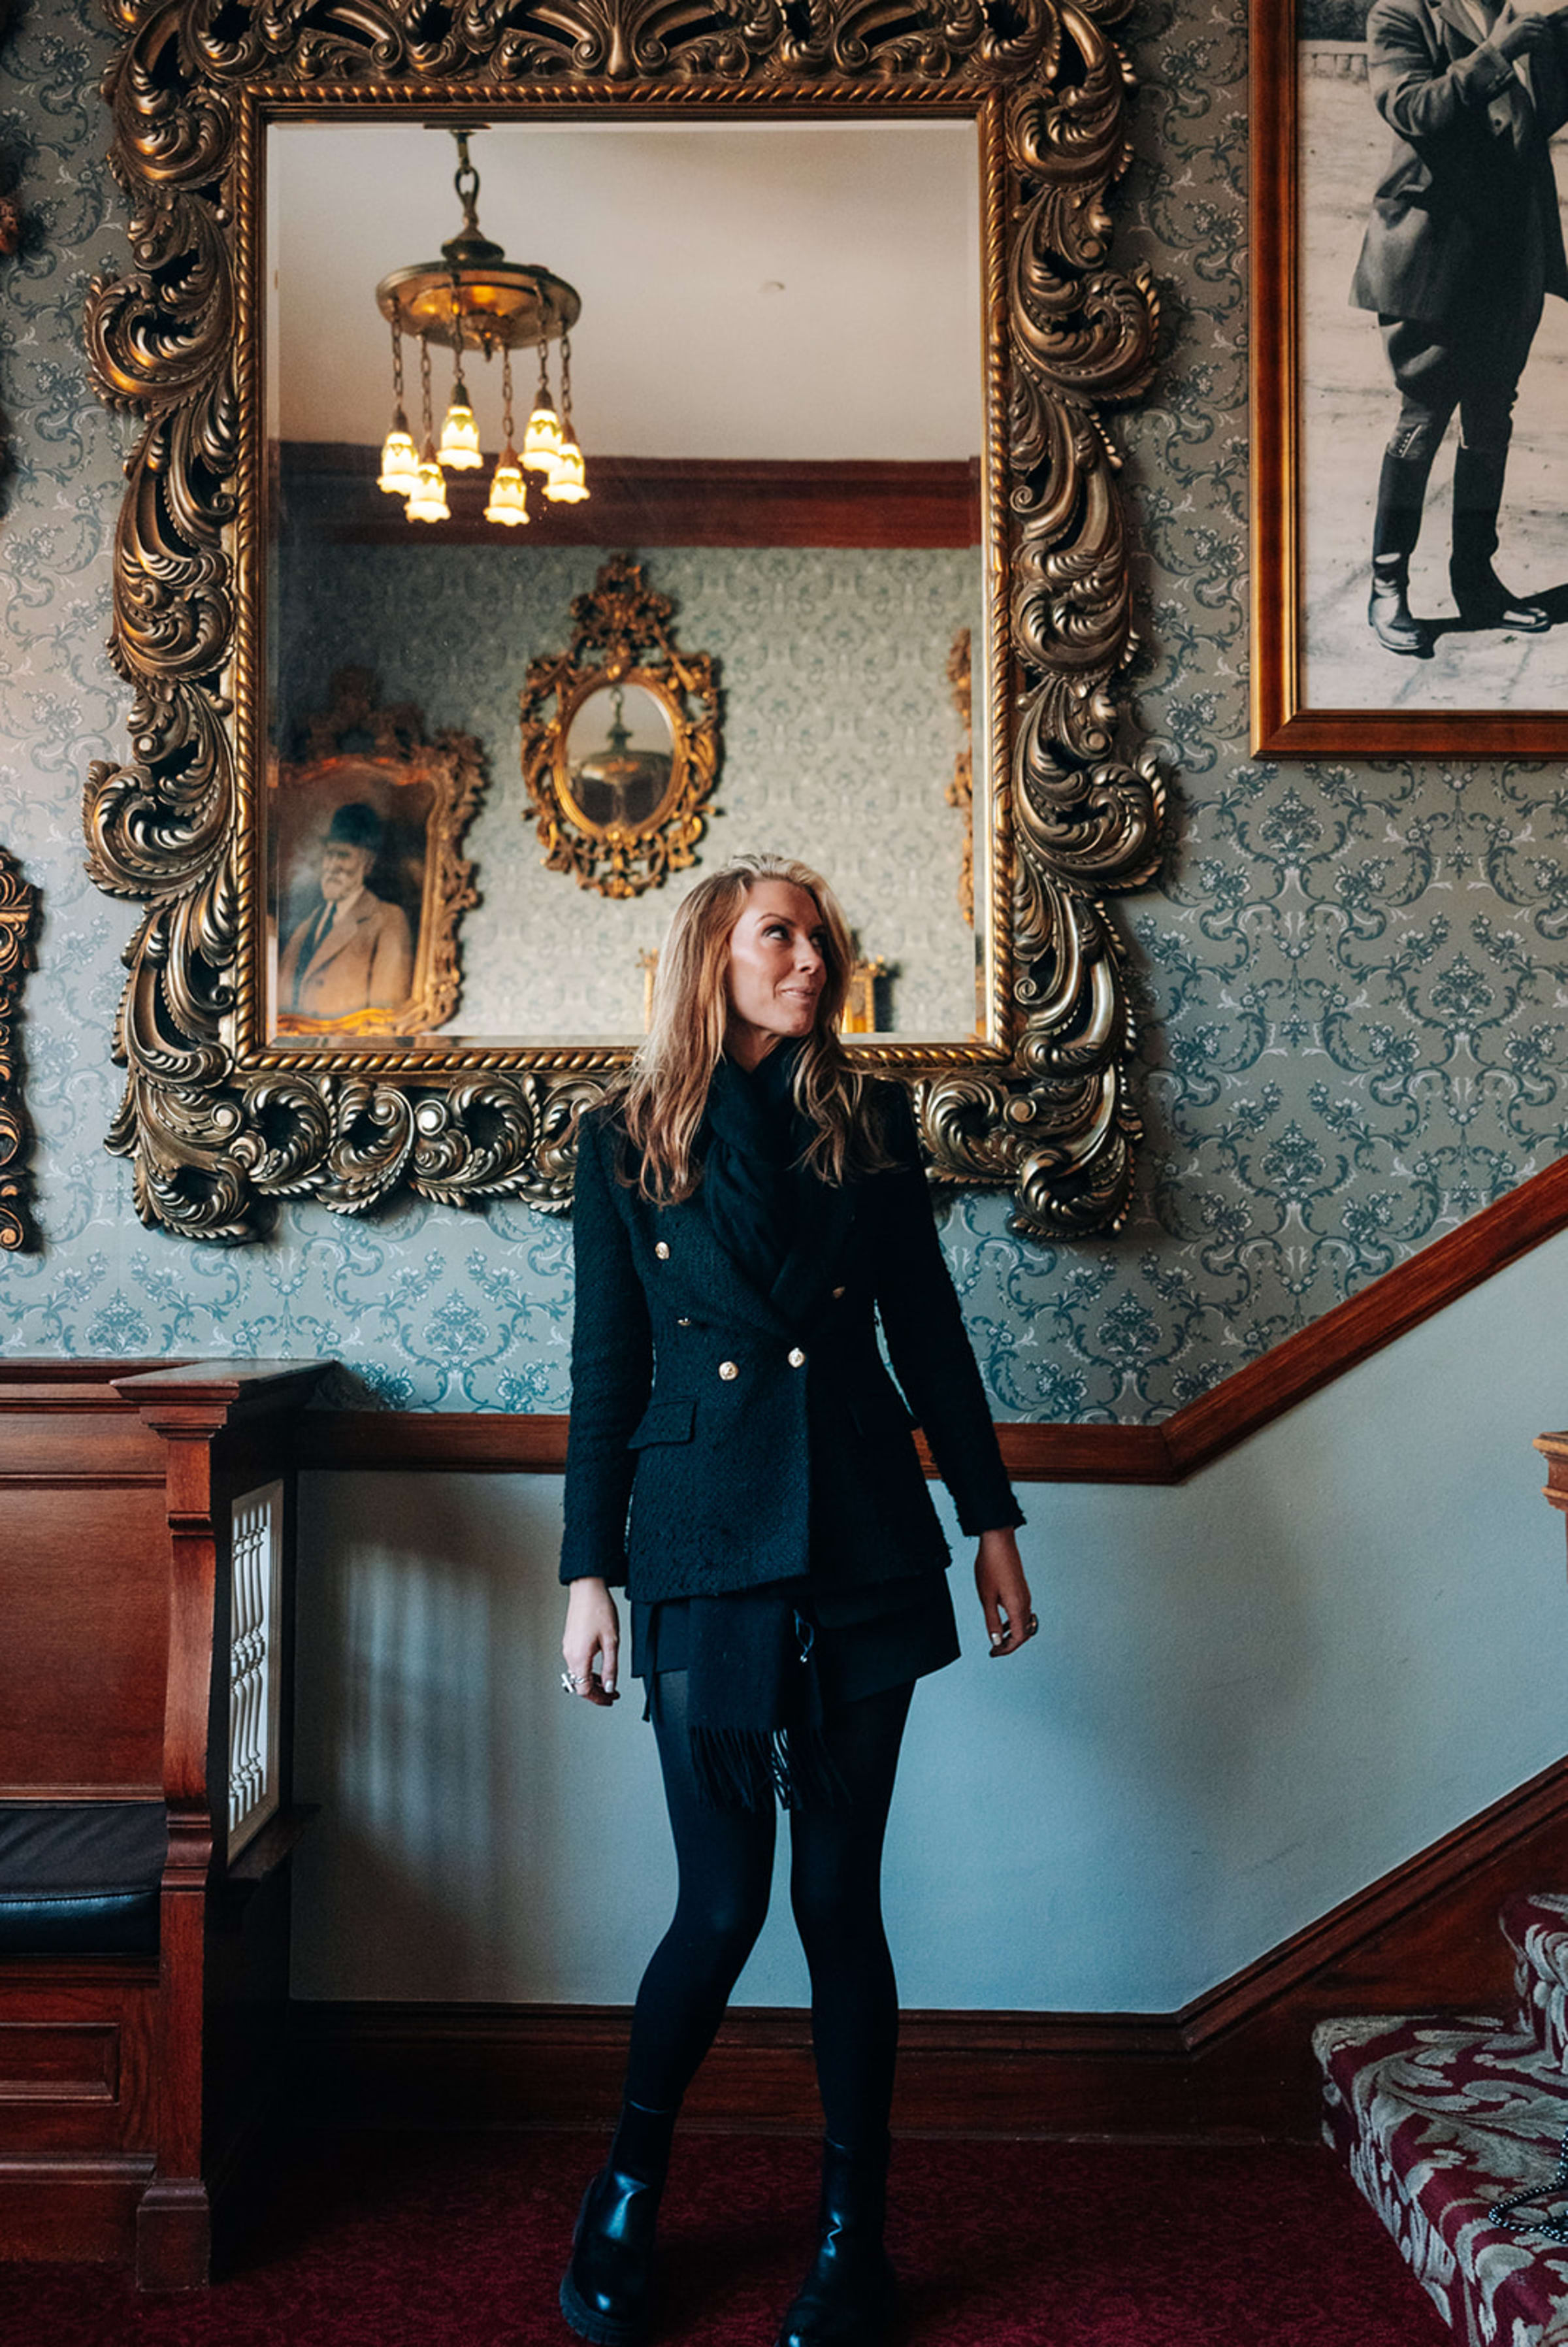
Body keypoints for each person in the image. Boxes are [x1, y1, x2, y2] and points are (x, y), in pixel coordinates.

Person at [557, 853, 1035, 2347]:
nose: (810, 960)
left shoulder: (868, 1126)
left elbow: (931, 1343)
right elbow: (603, 1374)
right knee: (718, 1902)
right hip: (699, 1544)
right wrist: (586, 1574)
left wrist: (991, 1522)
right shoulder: (623, 1139)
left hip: (860, 1540)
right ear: (713, 955)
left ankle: (853, 2234)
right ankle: (627, 2190)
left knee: (836, 1899)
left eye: (821, 940)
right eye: (781, 937)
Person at [1351, 0, 1568, 655]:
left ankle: (1476, 578)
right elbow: (1412, 108)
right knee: (1423, 417)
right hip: (1433, 250)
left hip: (1509, 253)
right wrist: (1497, 53)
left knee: (1490, 419)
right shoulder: (1400, 12)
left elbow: (1532, 121)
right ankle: (1387, 586)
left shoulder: (1510, 12)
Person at [277, 801, 414, 1020]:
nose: (332, 866)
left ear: (367, 864)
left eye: (343, 855)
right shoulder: (305, 927)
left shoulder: (388, 921)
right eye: (329, 855)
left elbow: (386, 1021)